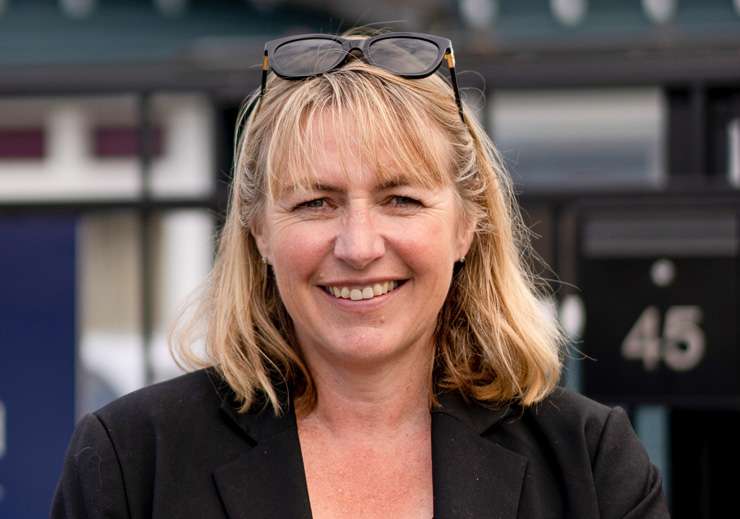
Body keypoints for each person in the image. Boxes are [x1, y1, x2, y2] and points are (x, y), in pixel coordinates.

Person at [52, 30, 670, 519]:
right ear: (258, 230)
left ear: (466, 226)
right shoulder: (131, 461)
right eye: (315, 202)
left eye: (401, 199)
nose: (358, 246)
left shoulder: (590, 462)